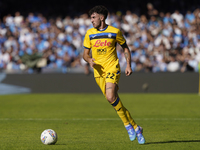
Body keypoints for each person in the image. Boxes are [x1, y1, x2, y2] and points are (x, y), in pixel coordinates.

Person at [83, 5, 145, 144]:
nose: (91, 20)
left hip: (112, 68)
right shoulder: (89, 34)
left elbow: (125, 48)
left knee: (111, 96)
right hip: (98, 72)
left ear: (101, 17)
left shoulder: (115, 32)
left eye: (93, 17)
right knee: (113, 101)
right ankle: (136, 127)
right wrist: (89, 60)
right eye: (91, 18)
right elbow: (85, 54)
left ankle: (127, 126)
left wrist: (128, 64)